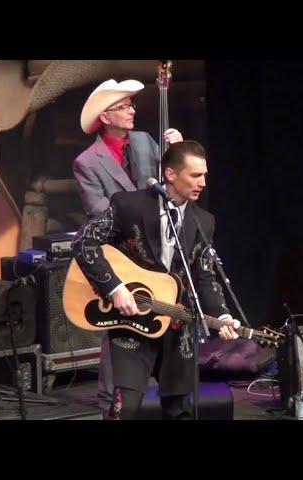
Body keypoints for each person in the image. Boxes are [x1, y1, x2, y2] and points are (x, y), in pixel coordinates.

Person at [72, 140, 240, 420]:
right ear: (171, 175)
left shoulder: (203, 222)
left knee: (180, 410)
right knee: (124, 409)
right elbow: (83, 243)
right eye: (195, 175)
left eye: (205, 176)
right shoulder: (130, 205)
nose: (203, 183)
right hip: (131, 321)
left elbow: (204, 276)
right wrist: (115, 288)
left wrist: (221, 314)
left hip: (176, 324)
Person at [74, 78, 183, 217]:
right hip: (123, 236)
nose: (132, 111)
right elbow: (98, 211)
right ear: (105, 118)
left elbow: (172, 179)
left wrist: (178, 150)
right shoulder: (87, 162)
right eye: (122, 107)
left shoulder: (145, 139)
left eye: (131, 105)